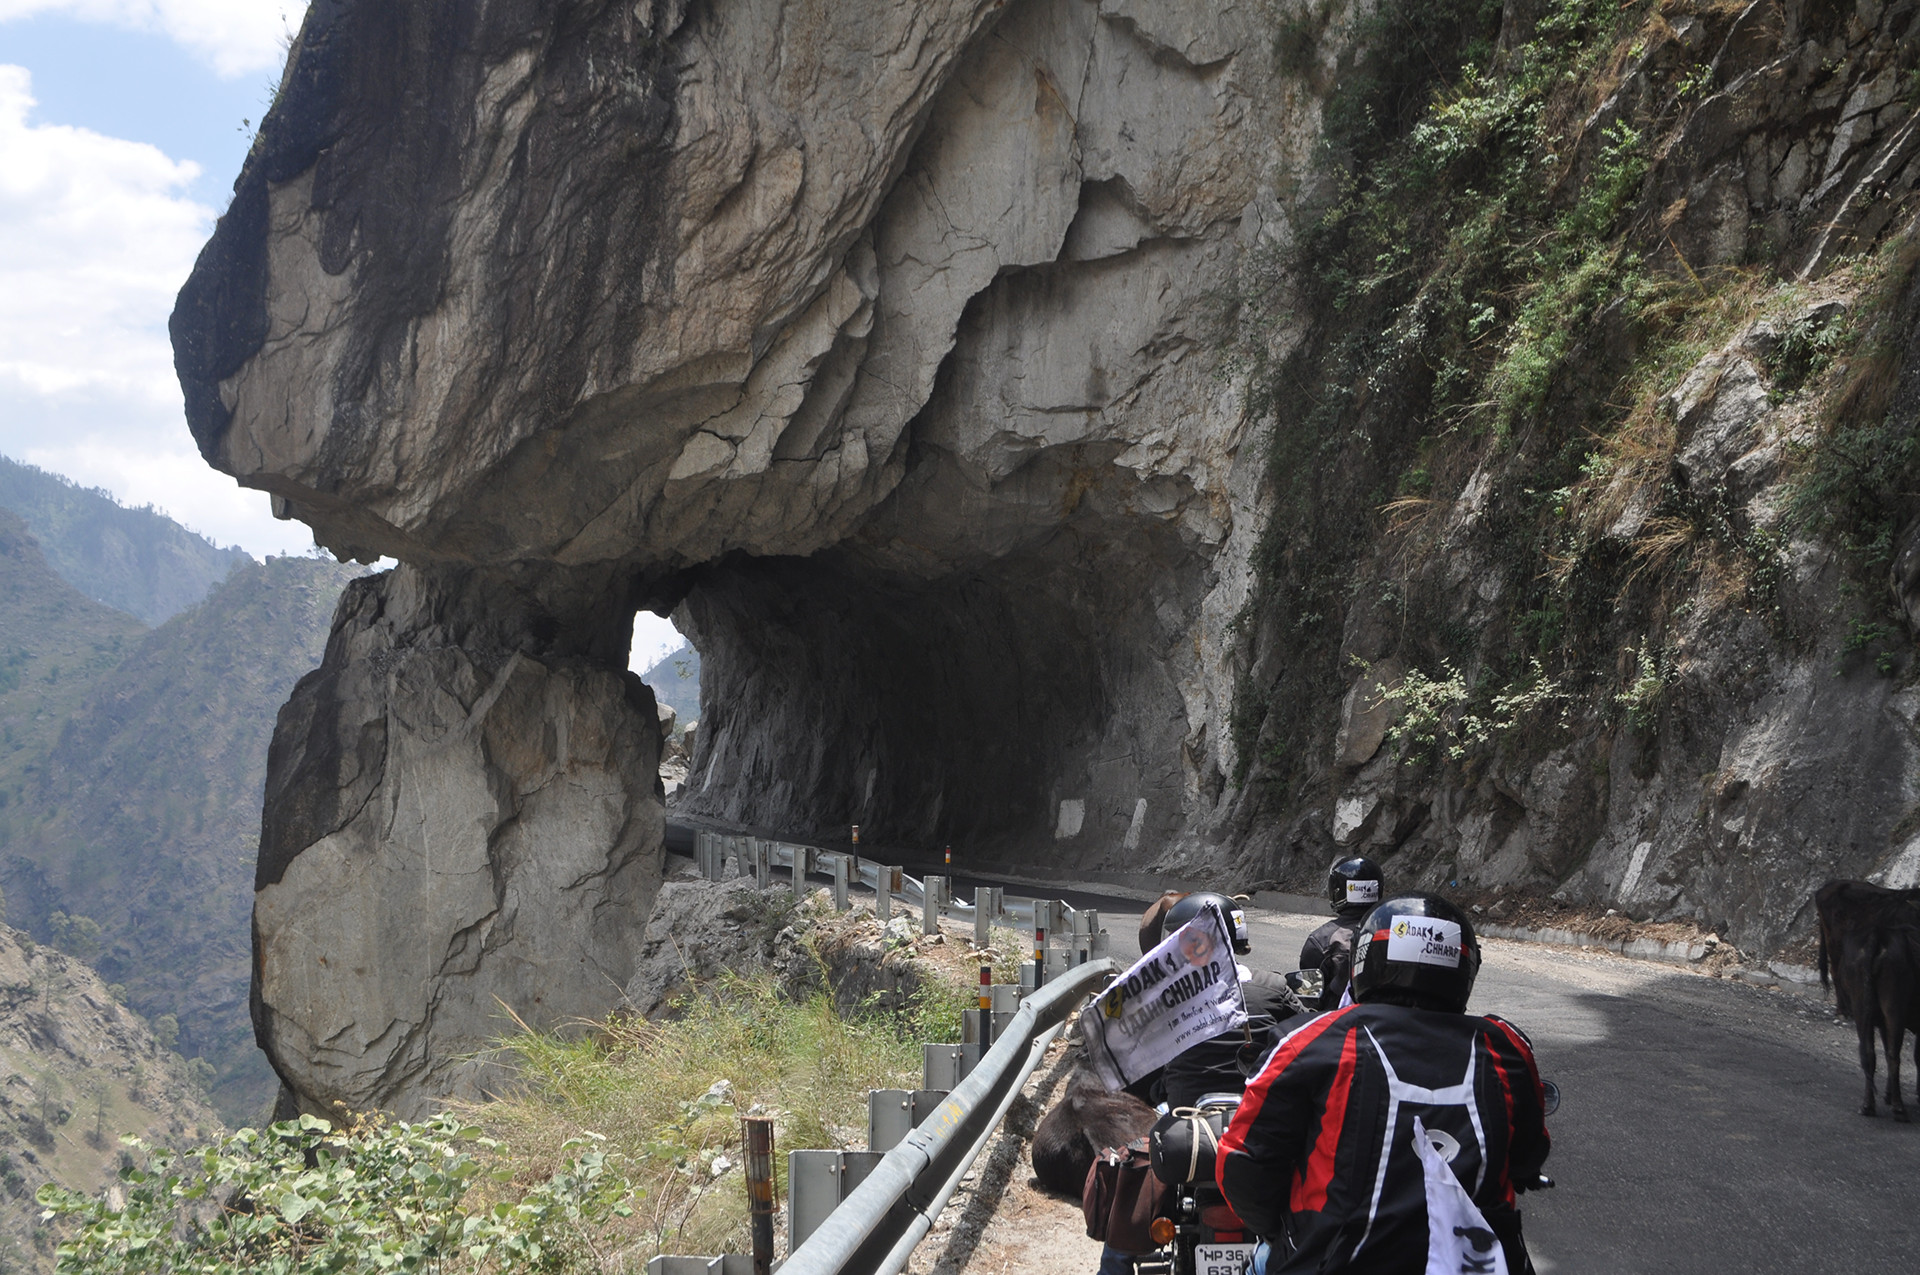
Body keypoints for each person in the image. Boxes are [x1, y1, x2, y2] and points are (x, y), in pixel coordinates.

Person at [1216, 893, 1551, 1275]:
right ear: (1464, 966)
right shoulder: (1505, 1045)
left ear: (1365, 962)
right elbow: (1528, 1153)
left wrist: (1285, 1233)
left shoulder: (1308, 1041)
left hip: (1329, 1259)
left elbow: (1243, 1163)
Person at [1298, 857, 1384, 1009]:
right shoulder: (1396, 933)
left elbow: (1308, 997)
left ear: (1338, 891)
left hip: (1337, 1026)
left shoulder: (1321, 940)